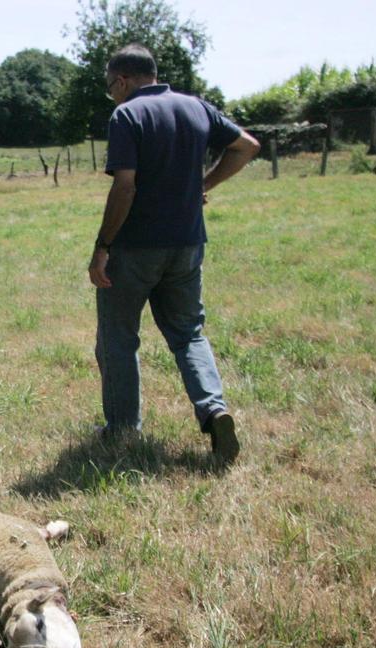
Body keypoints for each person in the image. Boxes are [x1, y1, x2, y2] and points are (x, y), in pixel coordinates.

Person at [89, 43, 259, 464]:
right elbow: (246, 147)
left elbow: (124, 186)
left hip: (135, 249)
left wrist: (102, 246)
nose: (112, 94)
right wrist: (205, 184)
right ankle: (214, 409)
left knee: (118, 339)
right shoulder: (197, 107)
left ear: (123, 80)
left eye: (111, 86)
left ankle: (123, 430)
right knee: (188, 334)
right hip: (187, 245)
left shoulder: (127, 114)